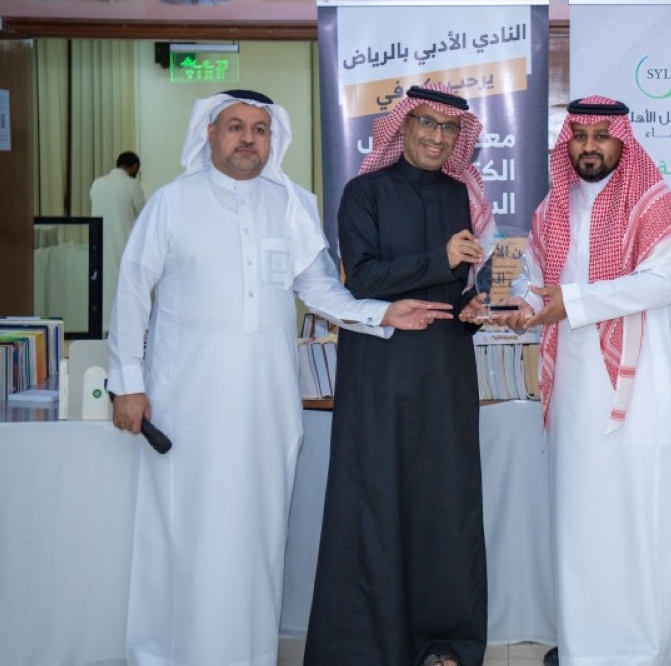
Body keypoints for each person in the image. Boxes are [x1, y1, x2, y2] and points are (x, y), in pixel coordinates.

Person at [107, 89, 452, 666]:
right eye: (235, 127)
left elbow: (319, 289)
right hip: (186, 403)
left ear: (274, 139)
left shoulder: (291, 204)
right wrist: (128, 383)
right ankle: (166, 655)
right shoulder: (171, 203)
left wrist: (381, 313)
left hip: (267, 403)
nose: (248, 139)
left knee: (258, 536)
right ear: (210, 134)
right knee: (185, 531)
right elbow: (130, 293)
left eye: (260, 129)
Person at [487, 96, 671, 665]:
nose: (588, 146)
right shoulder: (551, 208)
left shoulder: (654, 203)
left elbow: (664, 283)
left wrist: (574, 303)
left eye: (601, 136)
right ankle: (586, 647)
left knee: (639, 516)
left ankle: (643, 650)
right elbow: (538, 282)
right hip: (575, 386)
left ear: (621, 142)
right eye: (579, 136)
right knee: (580, 517)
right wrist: (520, 309)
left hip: (642, 386)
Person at [304, 84, 493, 666]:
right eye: (426, 124)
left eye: (449, 128)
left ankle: (444, 642)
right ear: (403, 128)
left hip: (444, 369)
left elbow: (458, 286)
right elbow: (363, 279)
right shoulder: (364, 193)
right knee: (376, 500)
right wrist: (442, 258)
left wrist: (471, 307)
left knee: (445, 503)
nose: (438, 137)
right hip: (380, 370)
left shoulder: (461, 195)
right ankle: (366, 645)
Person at [90, 150, 145, 331]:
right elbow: (144, 217)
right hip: (123, 244)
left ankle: (102, 327)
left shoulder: (97, 184)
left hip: (98, 245)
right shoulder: (131, 185)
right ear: (134, 167)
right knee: (123, 288)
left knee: (103, 287)